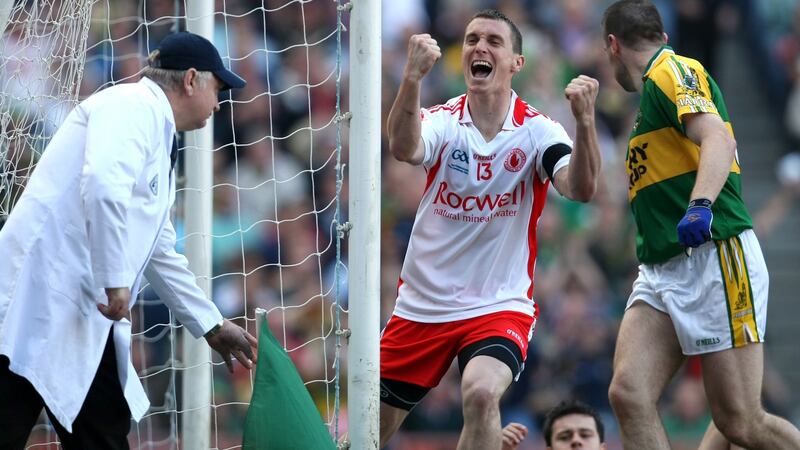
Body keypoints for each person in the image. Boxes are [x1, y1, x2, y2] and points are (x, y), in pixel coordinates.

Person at [0, 31, 258, 449]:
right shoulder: (130, 105)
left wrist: (209, 323)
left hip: (83, 310)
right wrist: (115, 277)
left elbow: (159, 249)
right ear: (191, 80)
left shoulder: (156, 131)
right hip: (37, 304)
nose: (219, 102)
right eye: (219, 87)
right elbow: (102, 185)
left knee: (101, 432)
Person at [381, 9, 601, 450]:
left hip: (498, 303)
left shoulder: (538, 131)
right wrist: (411, 78)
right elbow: (404, 147)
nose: (480, 47)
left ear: (517, 62)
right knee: (369, 432)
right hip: (424, 304)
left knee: (481, 394)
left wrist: (586, 122)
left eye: (494, 41)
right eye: (472, 39)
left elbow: (579, 188)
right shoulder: (444, 119)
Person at [600, 1, 800, 449]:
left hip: (713, 255)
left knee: (742, 423)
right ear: (662, 33)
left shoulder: (670, 70)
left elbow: (718, 137)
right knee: (629, 393)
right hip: (661, 270)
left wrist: (700, 206)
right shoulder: (654, 95)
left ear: (612, 45)